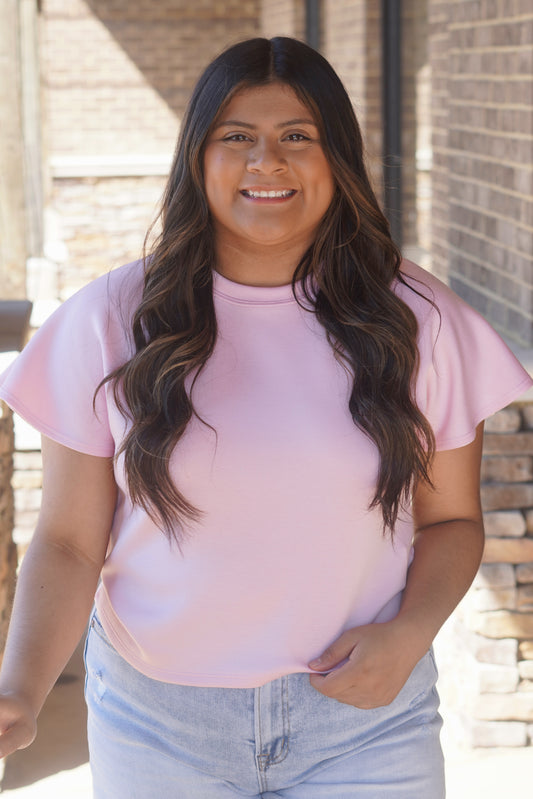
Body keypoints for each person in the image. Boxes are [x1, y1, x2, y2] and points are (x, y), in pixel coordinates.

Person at [0, 36, 530, 798]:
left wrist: (408, 634)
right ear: (197, 159)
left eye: (297, 138)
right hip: (160, 726)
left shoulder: (415, 320)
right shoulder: (110, 322)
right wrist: (20, 687)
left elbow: (450, 522)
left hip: (366, 724)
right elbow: (69, 539)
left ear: (337, 160)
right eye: (237, 137)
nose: (266, 162)